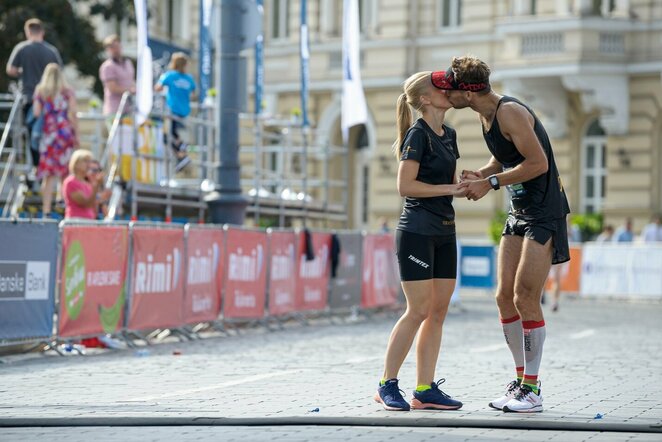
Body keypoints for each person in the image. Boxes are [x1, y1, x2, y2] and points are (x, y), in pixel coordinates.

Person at [437, 55, 570, 413]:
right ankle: (520, 381)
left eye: (451, 88)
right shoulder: (485, 115)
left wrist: (491, 182)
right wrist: (481, 173)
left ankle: (532, 389)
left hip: (544, 212)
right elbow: (508, 156)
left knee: (526, 295)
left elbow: (537, 162)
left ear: (468, 91)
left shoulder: (508, 111)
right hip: (520, 210)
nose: (447, 94)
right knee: (502, 296)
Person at [375, 71, 467, 412]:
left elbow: (448, 180)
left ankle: (425, 388)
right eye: (441, 88)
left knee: (438, 312)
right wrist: (450, 189)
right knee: (418, 310)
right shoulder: (418, 133)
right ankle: (387, 383)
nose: (448, 91)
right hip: (416, 230)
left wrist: (468, 181)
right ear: (425, 99)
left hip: (445, 230)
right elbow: (406, 186)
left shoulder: (450, 134)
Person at [6, 18, 63, 170]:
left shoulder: (22, 48)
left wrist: (22, 72)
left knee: (32, 135)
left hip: (29, 97)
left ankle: (36, 168)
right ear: (42, 32)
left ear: (27, 32)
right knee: (49, 134)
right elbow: (59, 73)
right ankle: (46, 167)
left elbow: (10, 69)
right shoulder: (51, 51)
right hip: (50, 100)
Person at [32, 63, 78, 217]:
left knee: (49, 174)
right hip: (64, 134)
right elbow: (72, 114)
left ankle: (46, 209)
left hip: (49, 135)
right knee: (65, 171)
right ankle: (63, 204)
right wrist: (76, 134)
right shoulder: (67, 92)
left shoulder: (41, 91)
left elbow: (37, 113)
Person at [155, 52, 196, 172]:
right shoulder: (189, 78)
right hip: (185, 111)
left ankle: (181, 151)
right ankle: (181, 156)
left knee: (166, 136)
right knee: (173, 135)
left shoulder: (170, 75)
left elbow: (158, 87)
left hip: (172, 110)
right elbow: (193, 94)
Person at [63, 150, 107, 220]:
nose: (89, 164)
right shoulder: (71, 182)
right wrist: (96, 186)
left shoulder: (86, 183)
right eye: (85, 161)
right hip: (75, 221)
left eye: (89, 161)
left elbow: (93, 206)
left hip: (88, 222)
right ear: (76, 163)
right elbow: (86, 204)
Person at [99, 35, 135, 118]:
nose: (116, 49)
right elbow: (113, 88)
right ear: (108, 50)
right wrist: (130, 90)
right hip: (114, 111)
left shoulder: (128, 63)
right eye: (112, 47)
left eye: (117, 46)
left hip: (129, 109)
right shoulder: (107, 67)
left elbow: (131, 81)